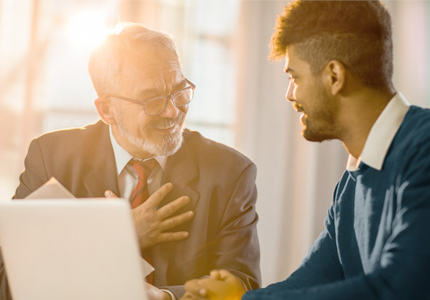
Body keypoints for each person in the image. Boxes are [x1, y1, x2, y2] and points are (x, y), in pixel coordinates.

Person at [0, 22, 261, 300]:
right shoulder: (51, 158)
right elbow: (6, 285)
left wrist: (165, 298)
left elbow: (243, 286)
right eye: (152, 99)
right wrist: (116, 237)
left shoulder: (230, 172)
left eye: (180, 92)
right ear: (107, 110)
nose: (173, 111)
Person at [182, 1, 430, 299]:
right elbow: (309, 281)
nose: (290, 94)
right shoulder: (351, 182)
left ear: (334, 76)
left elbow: (398, 288)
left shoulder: (424, 149)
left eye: (294, 77)